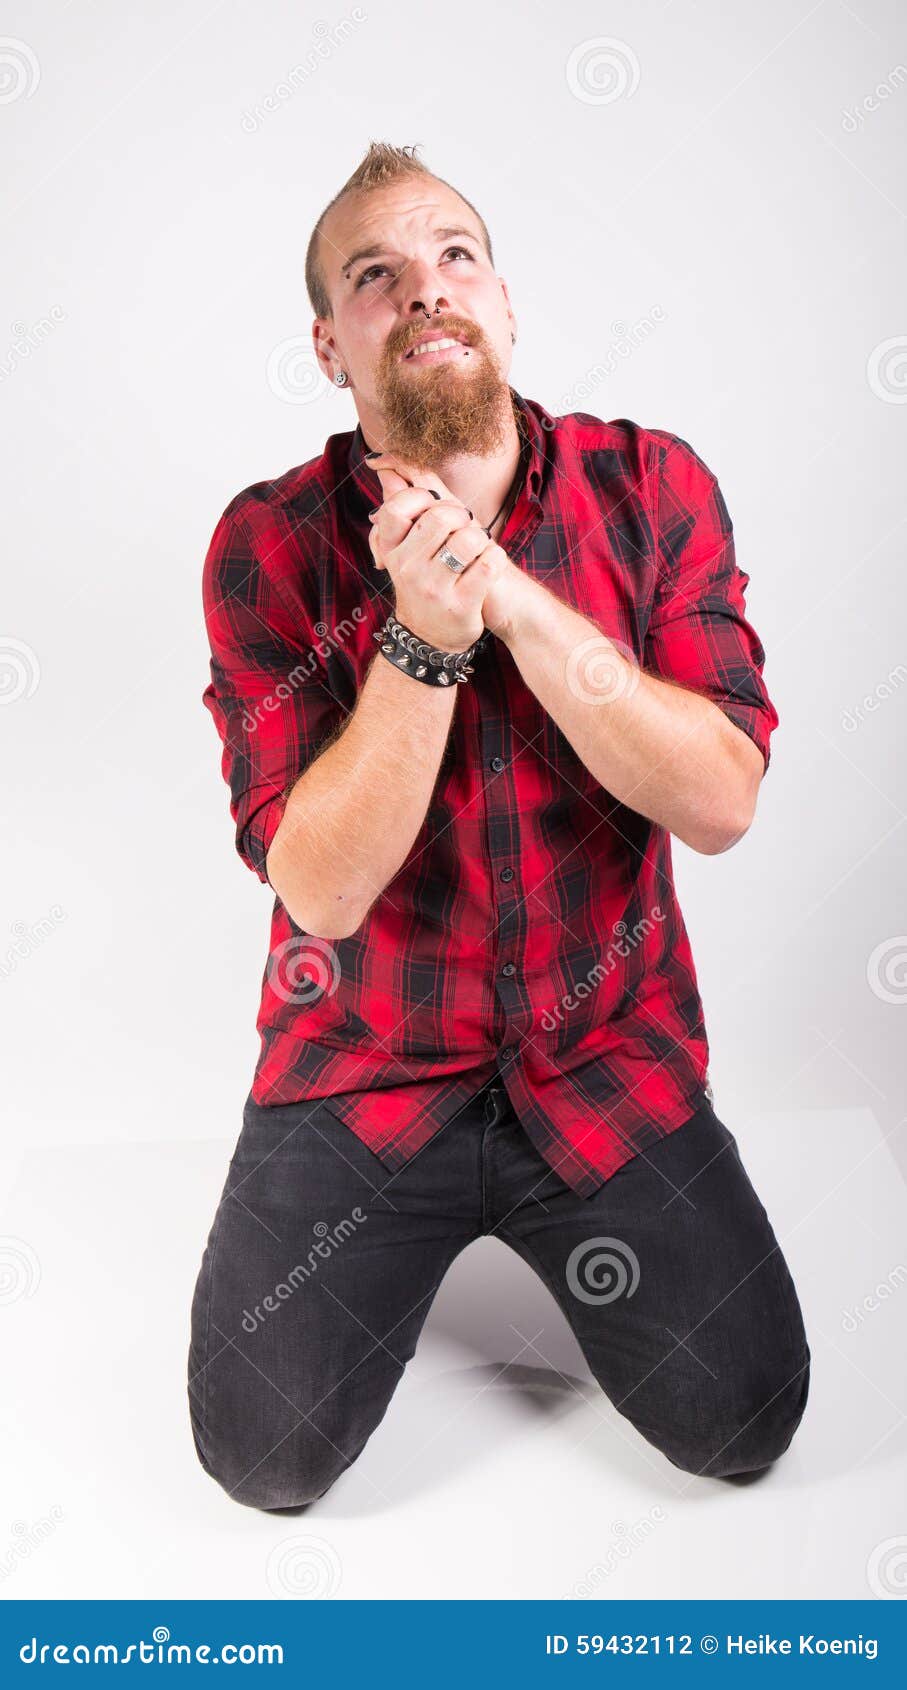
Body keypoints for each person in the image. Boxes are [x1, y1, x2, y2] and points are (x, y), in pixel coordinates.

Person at [187, 142, 810, 1512]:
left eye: (454, 258)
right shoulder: (267, 547)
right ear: (330, 345)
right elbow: (322, 889)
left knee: (748, 1419)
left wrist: (514, 603)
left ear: (507, 305)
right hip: (368, 1069)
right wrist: (420, 639)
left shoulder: (652, 488)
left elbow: (721, 800)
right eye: (376, 277)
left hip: (605, 1056)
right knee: (263, 1455)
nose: (426, 293)